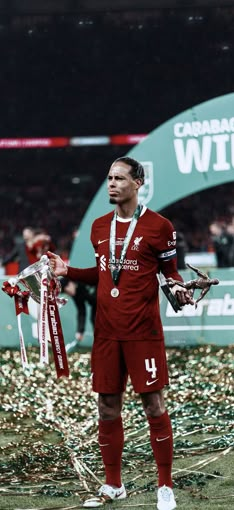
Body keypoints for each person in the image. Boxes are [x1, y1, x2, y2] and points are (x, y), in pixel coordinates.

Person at [48, 156, 194, 510]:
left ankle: (165, 486)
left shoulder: (160, 226)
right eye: (109, 178)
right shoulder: (99, 227)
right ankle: (114, 485)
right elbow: (102, 275)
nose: (111, 184)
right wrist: (67, 270)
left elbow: (170, 273)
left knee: (153, 404)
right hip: (107, 334)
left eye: (119, 179)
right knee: (107, 405)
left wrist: (177, 289)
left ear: (138, 182)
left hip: (143, 332)